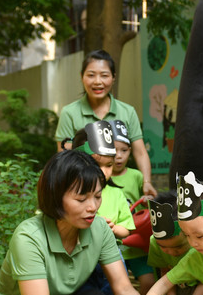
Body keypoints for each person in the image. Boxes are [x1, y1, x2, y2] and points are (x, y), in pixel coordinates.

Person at [0, 149, 159, 295]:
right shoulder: (29, 237)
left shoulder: (99, 228)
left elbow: (123, 288)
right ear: (55, 197)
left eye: (97, 197)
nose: (92, 207)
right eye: (81, 199)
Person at [55, 49, 156, 197]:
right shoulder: (69, 113)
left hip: (122, 190)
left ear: (113, 78)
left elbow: (140, 152)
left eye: (104, 75)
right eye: (91, 75)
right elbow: (65, 157)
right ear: (82, 77)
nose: (97, 81)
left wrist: (147, 182)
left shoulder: (127, 111)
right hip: (85, 189)